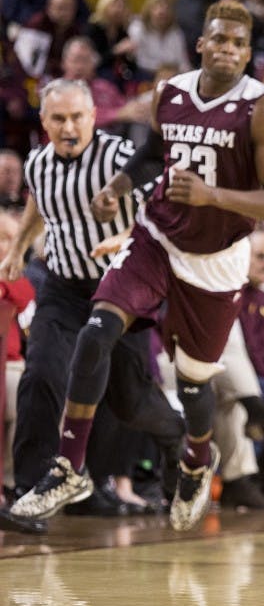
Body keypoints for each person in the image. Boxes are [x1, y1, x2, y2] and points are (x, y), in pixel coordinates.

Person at [7, 0, 264, 533]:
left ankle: (194, 460)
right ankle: (68, 469)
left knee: (192, 383)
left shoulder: (262, 109)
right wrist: (118, 188)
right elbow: (154, 155)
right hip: (156, 237)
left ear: (248, 53)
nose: (229, 50)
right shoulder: (172, 92)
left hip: (217, 259)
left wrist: (211, 195)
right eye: (220, 40)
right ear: (202, 44)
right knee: (94, 334)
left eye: (239, 43)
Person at [0, 79, 185, 533]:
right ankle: (31, 490)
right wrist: (18, 247)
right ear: (43, 122)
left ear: (92, 117)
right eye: (58, 118)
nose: (69, 127)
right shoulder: (39, 163)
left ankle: (177, 435)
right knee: (41, 374)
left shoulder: (120, 158)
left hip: (120, 291)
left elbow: (163, 208)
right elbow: (39, 204)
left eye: (77, 117)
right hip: (63, 288)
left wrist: (127, 239)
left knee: (129, 401)